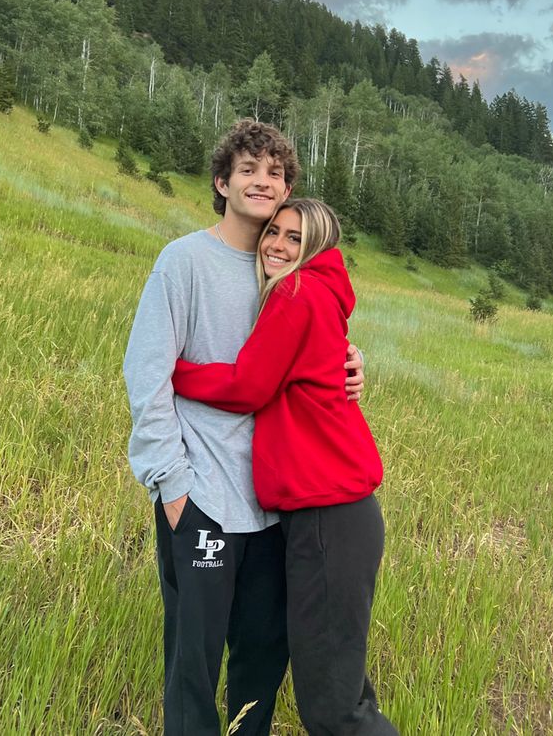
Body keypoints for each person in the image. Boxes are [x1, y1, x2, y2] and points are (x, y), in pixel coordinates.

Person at [123, 120, 364, 736]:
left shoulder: (286, 274)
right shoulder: (183, 261)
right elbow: (146, 376)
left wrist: (352, 363)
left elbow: (307, 355)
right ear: (221, 182)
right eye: (250, 169)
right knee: (193, 668)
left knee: (262, 661)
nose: (265, 180)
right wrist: (172, 488)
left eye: (277, 173)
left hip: (274, 509)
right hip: (202, 497)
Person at [172, 199, 398, 736]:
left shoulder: (296, 293)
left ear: (316, 247)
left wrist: (176, 372)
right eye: (274, 231)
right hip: (338, 514)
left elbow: (249, 386)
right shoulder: (322, 294)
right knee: (343, 689)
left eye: (295, 238)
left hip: (327, 516)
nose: (277, 244)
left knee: (334, 707)